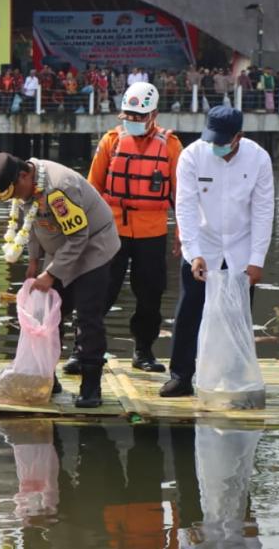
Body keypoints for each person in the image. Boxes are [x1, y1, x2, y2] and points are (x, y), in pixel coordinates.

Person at [0, 153, 121, 408]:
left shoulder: (59, 189)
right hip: (60, 250)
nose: (16, 199)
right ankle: (47, 377)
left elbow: (80, 237)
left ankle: (91, 386)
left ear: (24, 175)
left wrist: (52, 273)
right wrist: (34, 262)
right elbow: (34, 222)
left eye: (15, 192)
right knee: (46, 315)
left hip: (94, 249)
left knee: (88, 317)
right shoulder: (28, 188)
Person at [160, 107, 274, 397]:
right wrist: (193, 251)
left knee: (238, 314)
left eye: (223, 140)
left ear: (239, 137)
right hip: (203, 242)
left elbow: (263, 212)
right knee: (189, 310)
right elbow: (184, 206)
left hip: (241, 245)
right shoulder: (192, 155)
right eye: (212, 139)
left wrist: (256, 260)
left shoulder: (258, 158)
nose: (216, 146)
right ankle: (181, 375)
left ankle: (233, 377)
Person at [83, 82, 182, 376]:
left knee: (151, 294)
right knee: (101, 291)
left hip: (152, 232)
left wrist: (181, 234)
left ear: (154, 114)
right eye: (129, 115)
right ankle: (85, 350)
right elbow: (91, 189)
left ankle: (143, 351)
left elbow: (182, 195)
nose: (134, 121)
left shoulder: (171, 146)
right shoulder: (111, 141)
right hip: (112, 231)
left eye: (140, 116)